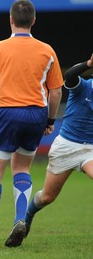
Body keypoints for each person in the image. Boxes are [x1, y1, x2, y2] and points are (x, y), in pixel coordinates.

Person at [0, 0, 63, 249]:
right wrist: (49, 120)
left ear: (10, 19)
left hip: (7, 112)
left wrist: (3, 103)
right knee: (22, 169)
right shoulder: (47, 50)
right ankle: (19, 219)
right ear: (34, 20)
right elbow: (56, 91)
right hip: (37, 114)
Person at [24, 54, 93, 240]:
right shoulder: (84, 87)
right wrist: (88, 64)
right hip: (67, 145)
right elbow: (69, 76)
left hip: (91, 150)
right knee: (47, 197)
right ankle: (27, 218)